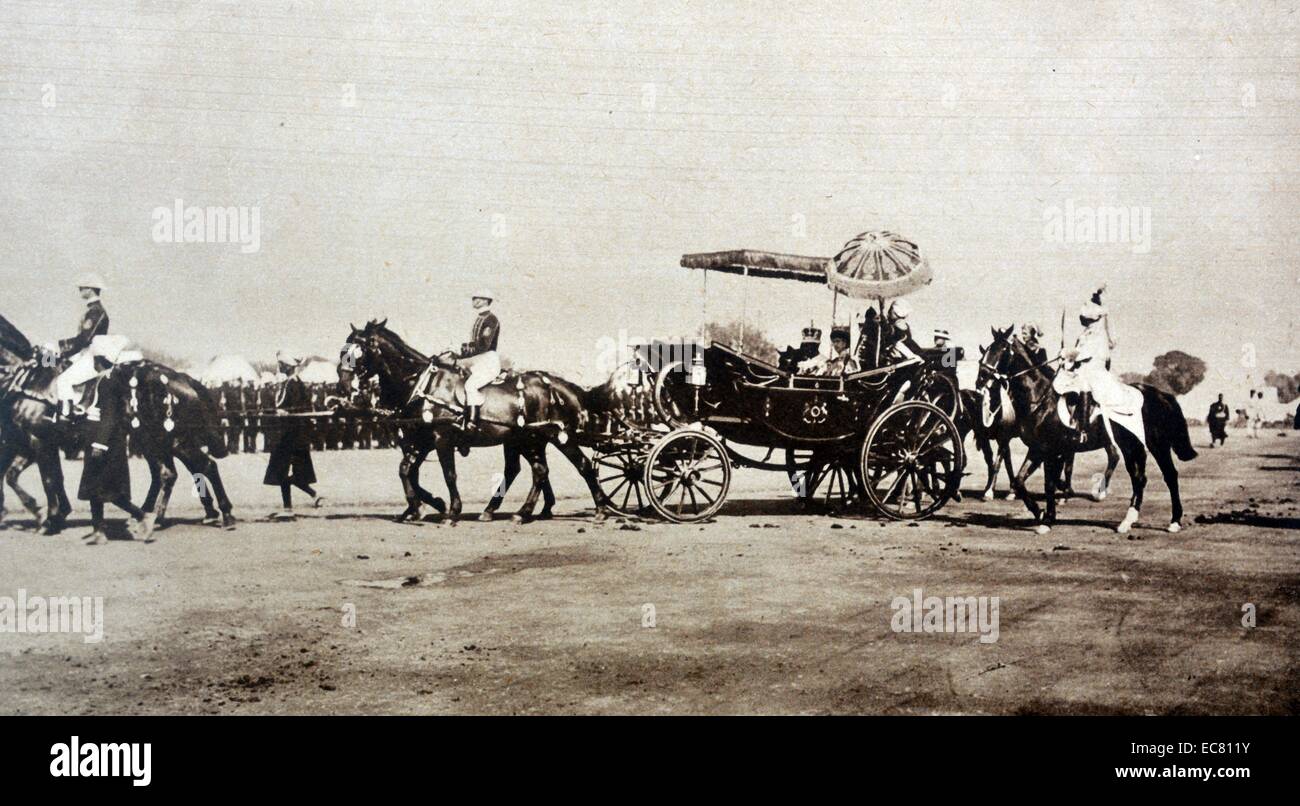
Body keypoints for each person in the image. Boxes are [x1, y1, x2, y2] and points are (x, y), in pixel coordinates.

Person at [78, 334, 153, 544]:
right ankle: (99, 531)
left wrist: (100, 443)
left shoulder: (109, 382)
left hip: (107, 444)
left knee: (110, 491)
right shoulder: (102, 379)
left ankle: (141, 516)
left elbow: (109, 416)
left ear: (101, 359)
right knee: (93, 489)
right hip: (95, 439)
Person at [1052, 287, 1121, 444]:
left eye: (1087, 319)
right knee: (1059, 380)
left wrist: (1068, 353)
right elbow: (1078, 352)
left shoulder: (1099, 334)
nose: (1085, 322)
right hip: (1083, 368)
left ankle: (1083, 430)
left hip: (1095, 370)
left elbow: (1084, 353)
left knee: (1084, 385)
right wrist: (1066, 357)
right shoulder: (1085, 333)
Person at [263, 351, 321, 519]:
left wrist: (284, 412)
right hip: (294, 434)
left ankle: (289, 508)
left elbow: (295, 407)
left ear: (286, 366)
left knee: (282, 471)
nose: (279, 367)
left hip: (290, 435)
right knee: (291, 473)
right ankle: (313, 495)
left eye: (281, 365)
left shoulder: (292, 384)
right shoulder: (293, 383)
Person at [52, 274, 111, 420]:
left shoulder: (96, 312)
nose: (79, 290)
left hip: (91, 357)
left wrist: (58, 346)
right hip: (83, 354)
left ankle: (66, 418)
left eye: (82, 288)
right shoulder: (92, 310)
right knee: (50, 366)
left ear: (90, 290)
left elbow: (84, 340)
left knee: (62, 381)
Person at [457, 289, 500, 429]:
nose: (474, 301)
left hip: (487, 361)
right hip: (478, 361)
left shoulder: (491, 319)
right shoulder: (480, 318)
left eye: (477, 298)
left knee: (470, 386)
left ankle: (473, 422)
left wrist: (461, 350)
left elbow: (483, 346)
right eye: (473, 298)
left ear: (486, 301)